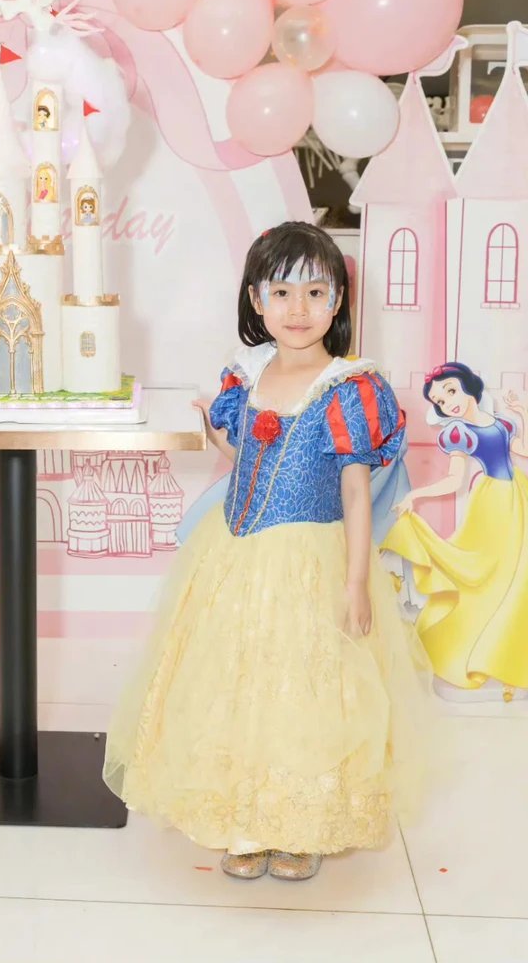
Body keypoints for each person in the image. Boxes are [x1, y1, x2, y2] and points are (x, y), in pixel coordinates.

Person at [104, 222, 434, 882]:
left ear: (338, 302)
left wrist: (356, 581)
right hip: (235, 554)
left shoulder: (348, 388)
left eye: (315, 292)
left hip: (311, 558)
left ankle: (299, 824)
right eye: (281, 292)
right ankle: (245, 821)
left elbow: (355, 490)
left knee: (304, 688)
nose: (297, 308)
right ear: (256, 300)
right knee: (235, 681)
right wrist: (213, 429)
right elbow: (249, 457)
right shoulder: (248, 374)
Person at [383, 361, 528, 700]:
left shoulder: (502, 422)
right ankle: (470, 652)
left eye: (451, 391)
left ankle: (502, 652)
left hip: (517, 496)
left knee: (516, 575)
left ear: (468, 386)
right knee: (486, 574)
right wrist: (415, 495)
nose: (448, 403)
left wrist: (521, 414)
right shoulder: (458, 434)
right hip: (491, 502)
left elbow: (521, 450)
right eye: (440, 401)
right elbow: (453, 480)